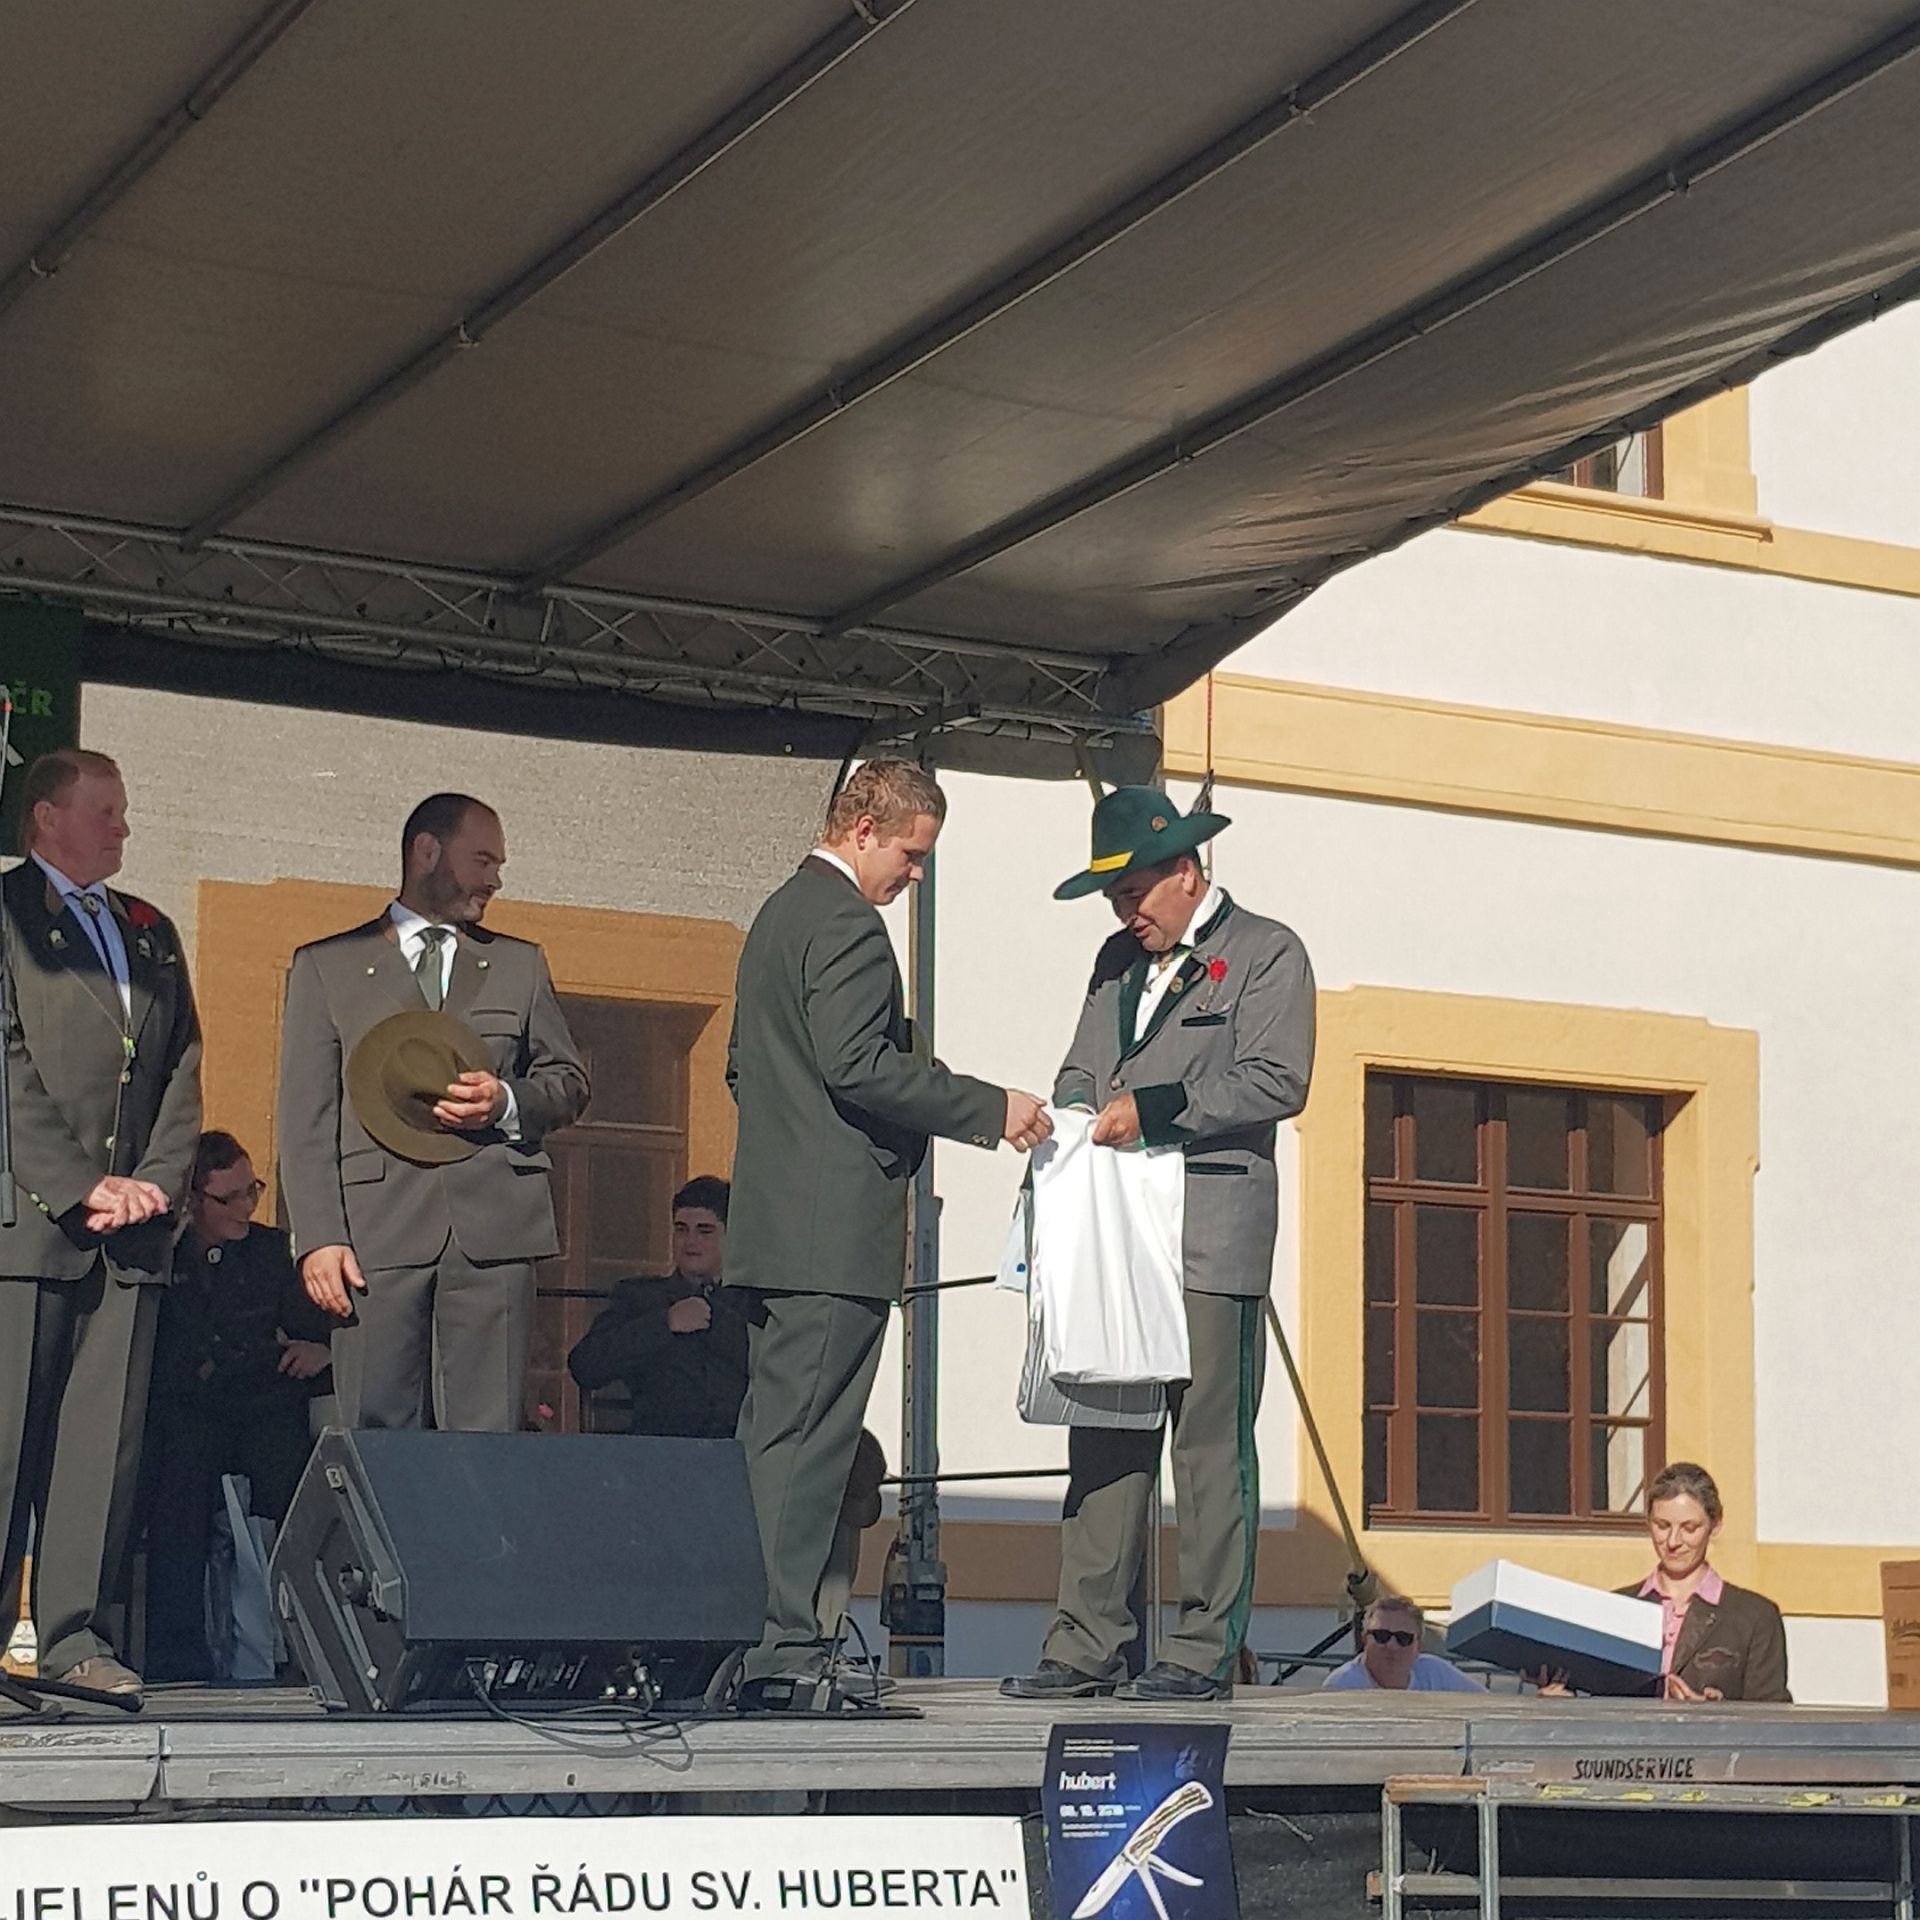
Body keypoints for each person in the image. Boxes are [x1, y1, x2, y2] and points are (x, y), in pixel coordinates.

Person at [726, 758, 1051, 1712]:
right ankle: (784, 1650)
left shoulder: (778, 915)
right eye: (911, 854)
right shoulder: (847, 925)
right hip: (832, 1238)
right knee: (809, 1451)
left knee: (773, 1443)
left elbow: (746, 1069)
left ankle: (751, 1637)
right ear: (863, 829)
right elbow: (860, 1065)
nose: (915, 875)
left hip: (778, 1227)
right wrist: (989, 1107)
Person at [1003, 785, 1314, 1704]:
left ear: (1188, 871)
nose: (1124, 914)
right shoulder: (1114, 962)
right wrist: (1068, 1116)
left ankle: (1202, 1649)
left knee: (1208, 1445)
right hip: (1113, 1234)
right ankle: (1085, 1641)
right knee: (1104, 1431)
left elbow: (1277, 1079)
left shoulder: (1266, 951)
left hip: (1209, 1236)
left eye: (1135, 893)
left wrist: (1156, 1111)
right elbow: (1082, 1064)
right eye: (1114, 899)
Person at [278, 793, 589, 1432]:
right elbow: (306, 1117)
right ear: (427, 851)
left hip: (495, 1235)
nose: (495, 880)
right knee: (377, 1437)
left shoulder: (520, 964)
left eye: (498, 865)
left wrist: (506, 1101)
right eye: (482, 861)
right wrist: (319, 1238)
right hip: (374, 1236)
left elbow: (568, 1081)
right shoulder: (327, 966)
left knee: (486, 1442)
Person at [0, 748, 202, 1699]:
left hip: (131, 1234)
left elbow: (181, 1064)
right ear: (47, 817)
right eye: (105, 811)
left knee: (100, 1448)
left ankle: (74, 1639)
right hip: (30, 1226)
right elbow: (5, 1066)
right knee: (7, 1440)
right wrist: (81, 1186)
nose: (123, 827)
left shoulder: (148, 930)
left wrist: (153, 1183)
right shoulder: (8, 912)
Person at [141, 1131, 333, 1682]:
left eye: (253, 1191)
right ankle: (176, 1656)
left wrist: (319, 1352)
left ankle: (299, 1647)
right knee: (178, 1489)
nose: (246, 1207)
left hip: (264, 1403)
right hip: (190, 1410)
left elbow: (312, 1330)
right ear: (193, 1199)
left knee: (290, 1483)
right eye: (229, 1198)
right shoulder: (164, 1256)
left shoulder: (273, 1251)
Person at [566, 1176, 748, 1437]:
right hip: (659, 1445)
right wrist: (664, 1323)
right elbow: (586, 1365)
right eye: (681, 1229)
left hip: (740, 1447)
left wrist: (720, 1320)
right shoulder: (639, 1297)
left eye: (704, 1231)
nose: (690, 1242)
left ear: (730, 1235)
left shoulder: (752, 1303)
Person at [1628, 1461, 1789, 1703]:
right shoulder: (1616, 1607)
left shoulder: (1755, 1617)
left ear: (1715, 1524)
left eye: (1689, 1528)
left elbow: (1771, 1714)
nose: (1673, 1541)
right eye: (1662, 1526)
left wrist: (1717, 1712)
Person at [1321, 1595, 1485, 1692]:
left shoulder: (1435, 1673)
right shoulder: (1341, 1685)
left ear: (1418, 1646)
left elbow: (1486, 1705)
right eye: (1382, 1636)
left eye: (1403, 1638)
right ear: (1364, 1639)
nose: (1392, 1646)